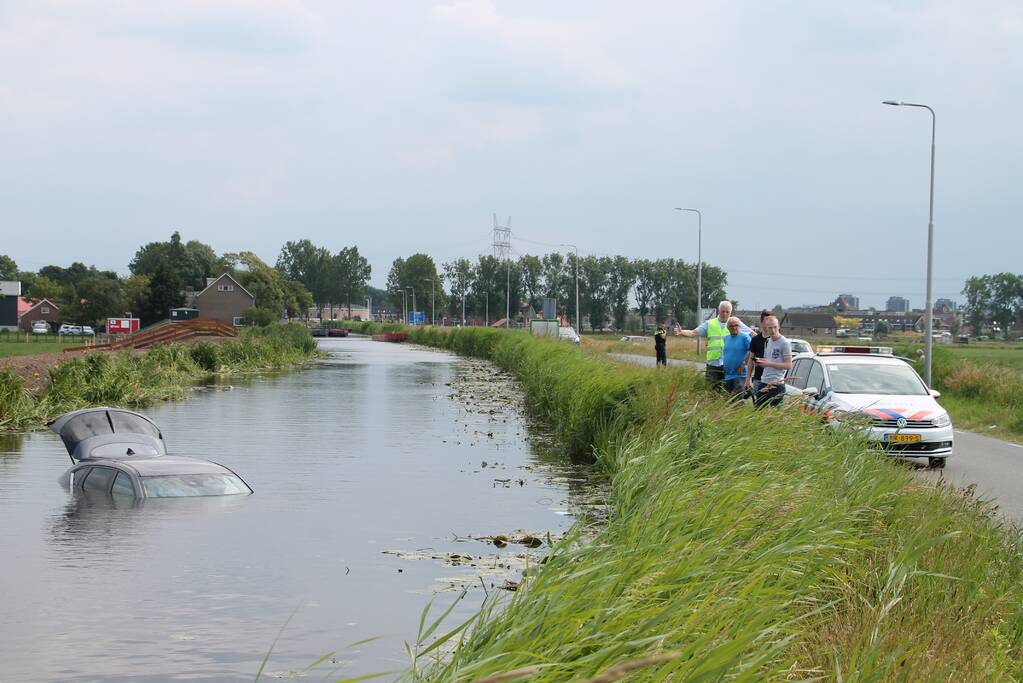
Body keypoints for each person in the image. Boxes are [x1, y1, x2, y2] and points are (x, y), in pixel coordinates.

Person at [678, 300, 752, 385]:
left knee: (726, 392)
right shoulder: (710, 323)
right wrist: (682, 332)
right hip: (713, 364)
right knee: (710, 390)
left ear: (730, 312)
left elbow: (752, 334)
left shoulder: (735, 323)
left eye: (727, 312)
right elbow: (693, 332)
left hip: (728, 365)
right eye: (722, 311)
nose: (724, 314)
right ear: (718, 311)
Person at [753, 315, 792, 407]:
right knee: (758, 412)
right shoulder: (768, 341)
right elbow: (768, 360)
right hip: (764, 381)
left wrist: (769, 363)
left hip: (777, 383)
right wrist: (760, 362)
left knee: (775, 415)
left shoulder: (784, 343)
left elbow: (788, 365)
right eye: (770, 328)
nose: (773, 330)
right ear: (766, 328)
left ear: (779, 327)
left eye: (775, 327)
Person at [743, 310, 773, 399]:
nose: (768, 324)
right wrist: (748, 379)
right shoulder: (755, 340)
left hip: (774, 380)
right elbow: (751, 360)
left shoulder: (776, 339)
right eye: (766, 321)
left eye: (770, 321)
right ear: (761, 322)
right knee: (759, 407)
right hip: (758, 378)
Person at [721, 317, 751, 395]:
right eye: (731, 326)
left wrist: (744, 364)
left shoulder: (745, 337)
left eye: (736, 325)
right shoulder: (726, 338)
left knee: (737, 401)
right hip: (727, 375)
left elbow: (752, 352)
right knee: (727, 401)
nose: (734, 327)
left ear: (740, 326)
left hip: (740, 376)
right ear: (727, 327)